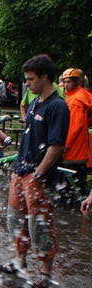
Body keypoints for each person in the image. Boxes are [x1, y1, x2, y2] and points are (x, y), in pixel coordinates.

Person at [3, 54, 70, 288]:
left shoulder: (57, 107)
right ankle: (20, 262)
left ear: (44, 77)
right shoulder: (33, 103)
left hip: (37, 176)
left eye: (31, 79)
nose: (27, 84)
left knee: (39, 224)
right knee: (15, 219)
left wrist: (39, 174)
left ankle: (45, 272)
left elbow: (56, 146)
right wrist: (17, 171)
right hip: (20, 171)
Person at [61, 67, 92, 196]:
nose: (65, 85)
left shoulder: (76, 101)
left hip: (72, 152)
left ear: (76, 82)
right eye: (65, 82)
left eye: (68, 82)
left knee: (69, 189)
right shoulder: (79, 96)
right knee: (78, 186)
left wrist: (64, 146)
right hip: (79, 151)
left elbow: (73, 127)